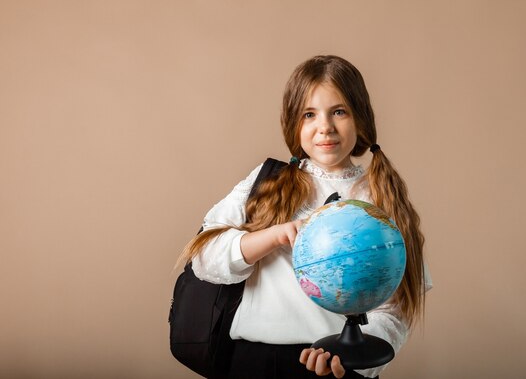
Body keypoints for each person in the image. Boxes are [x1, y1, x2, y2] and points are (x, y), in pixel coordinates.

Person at [177, 55, 433, 378]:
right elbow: (203, 257)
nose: (324, 126)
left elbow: (395, 312)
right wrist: (271, 237)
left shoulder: (381, 199)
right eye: (309, 114)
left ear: (360, 119)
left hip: (333, 367)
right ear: (293, 122)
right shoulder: (268, 181)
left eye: (339, 111)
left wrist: (353, 361)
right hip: (251, 362)